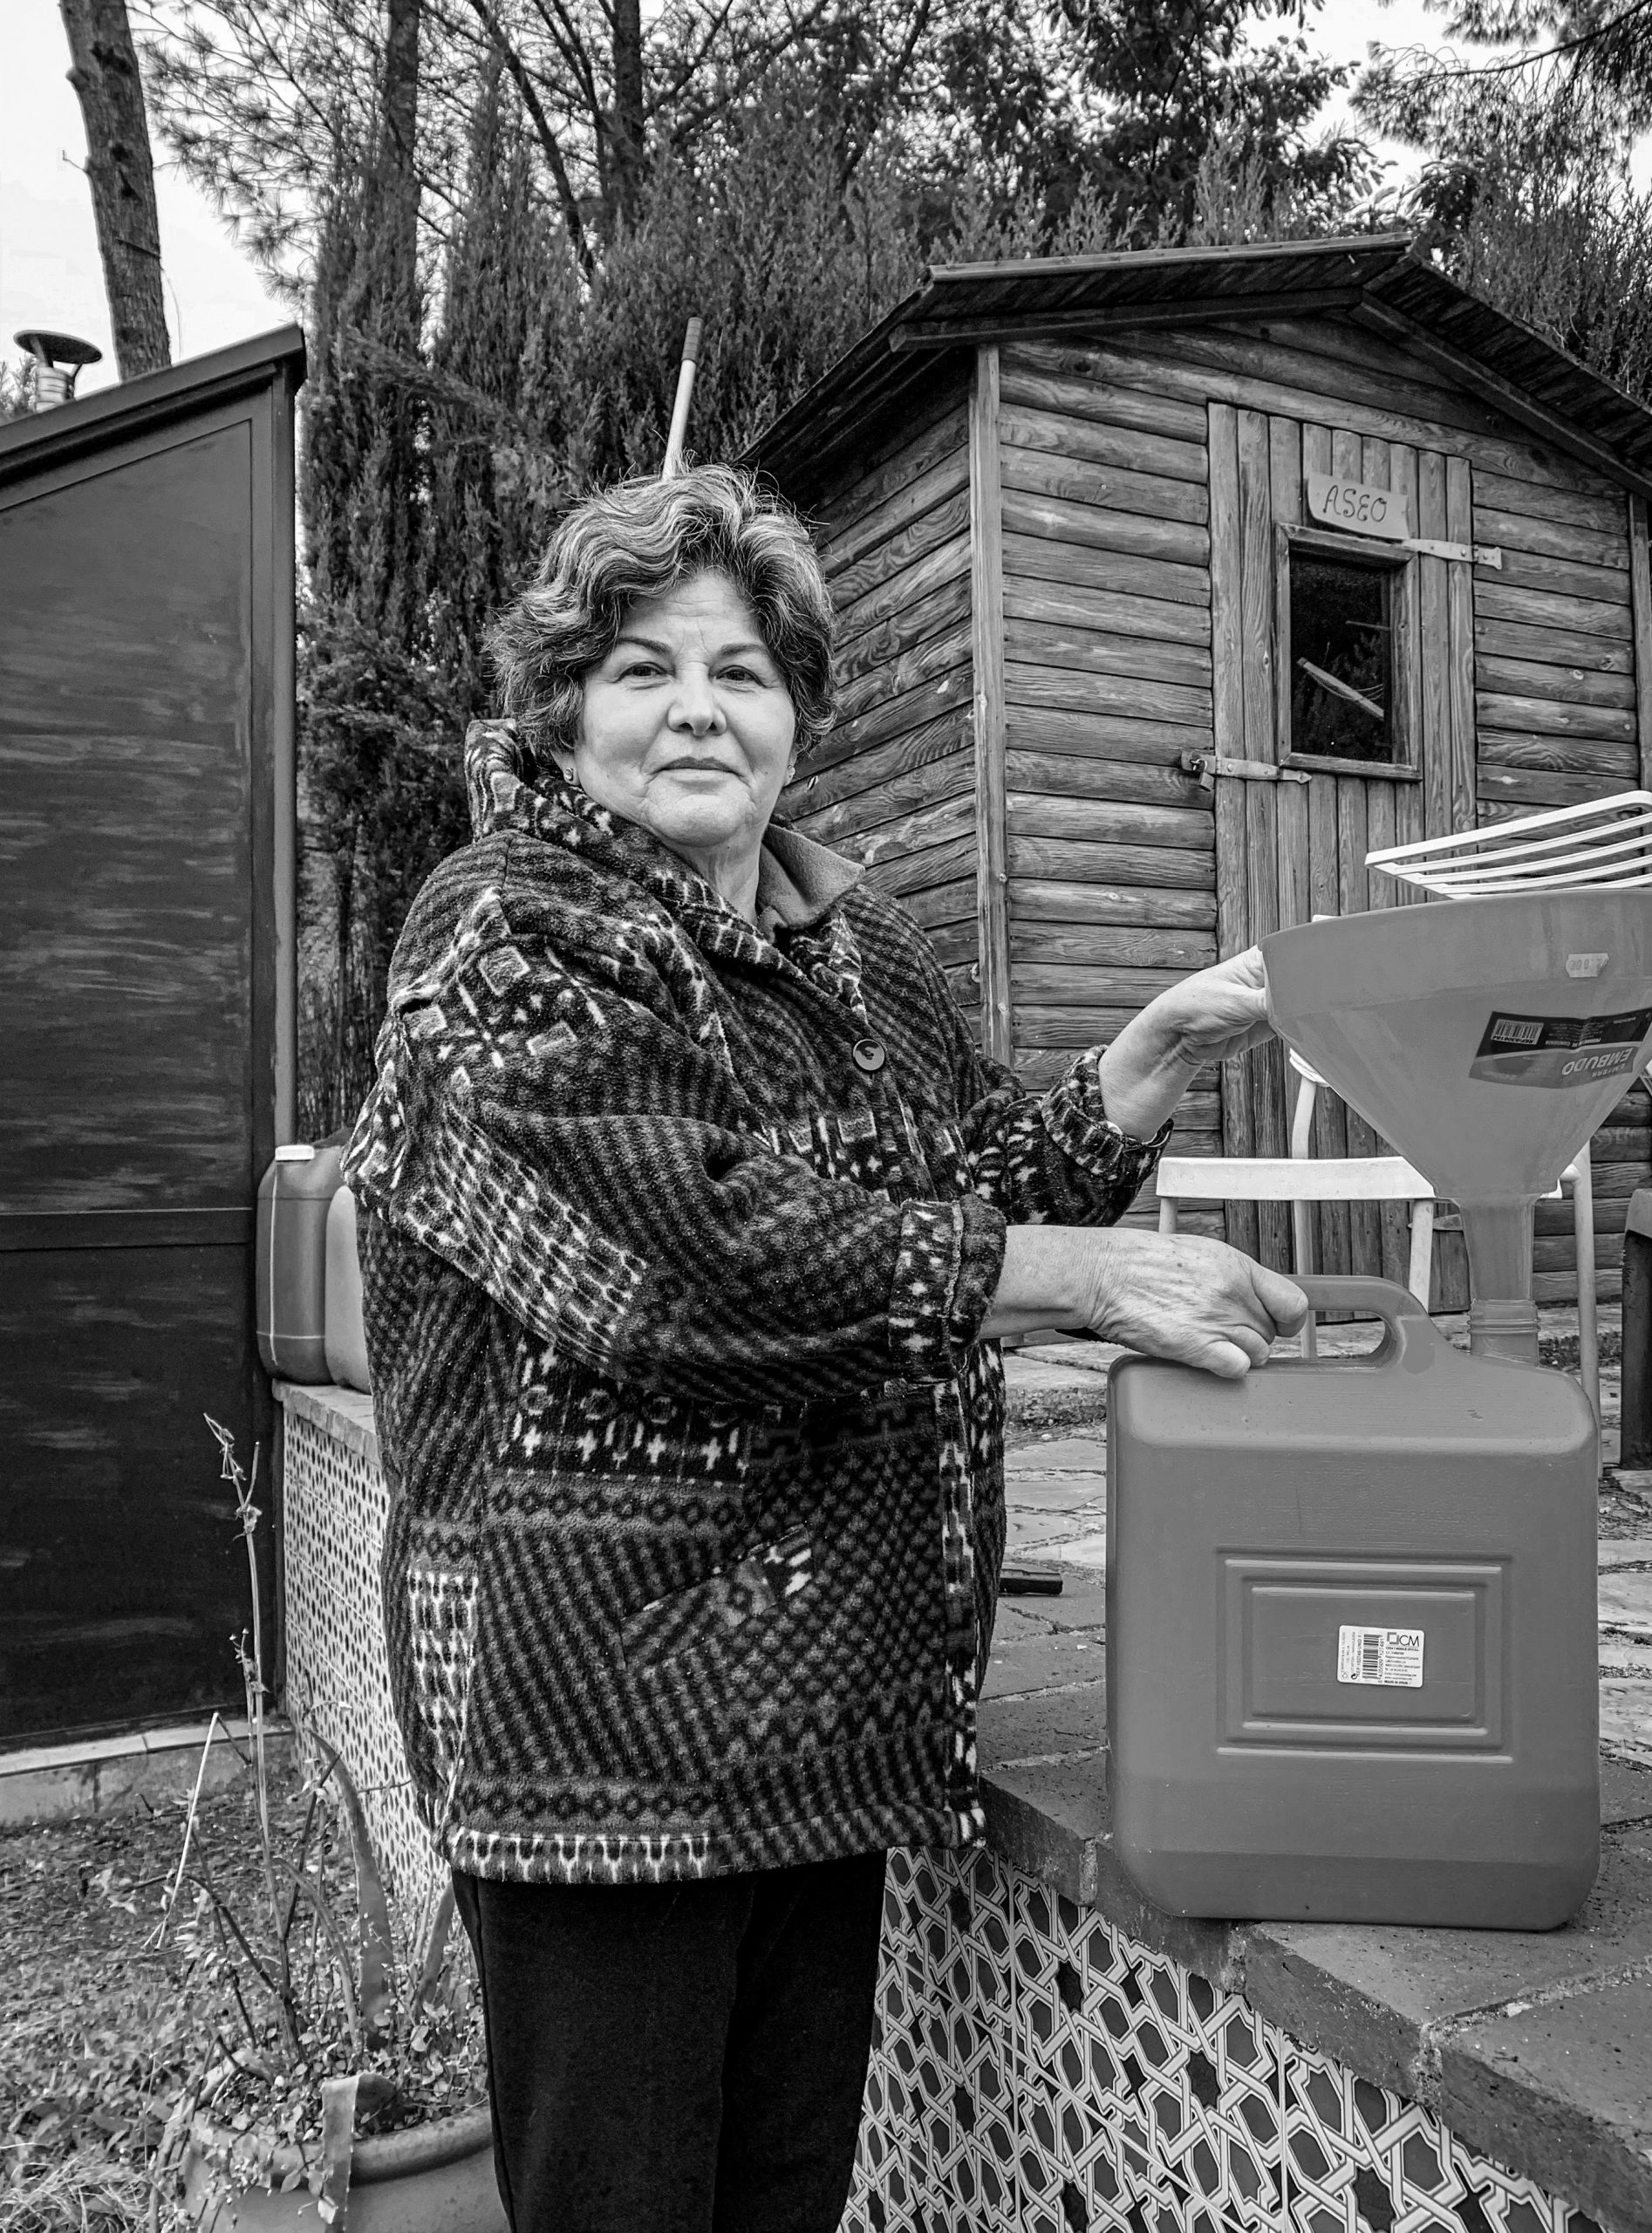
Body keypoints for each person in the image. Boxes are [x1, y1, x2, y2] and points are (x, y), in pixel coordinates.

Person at [343, 463, 1305, 2233]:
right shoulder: (502, 930)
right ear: (559, 720)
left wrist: (1133, 1073)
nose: (697, 705)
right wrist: (1081, 1277)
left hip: (820, 1722)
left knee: (782, 2196)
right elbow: (677, 1260)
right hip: (598, 1734)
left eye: (740, 669)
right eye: (640, 668)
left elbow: (953, 1188)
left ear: (796, 714)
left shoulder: (853, 947)